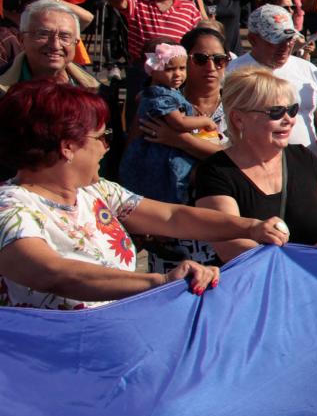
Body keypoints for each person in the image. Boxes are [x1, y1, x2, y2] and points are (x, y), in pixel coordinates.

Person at [0, 80, 287, 310]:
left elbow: (172, 217)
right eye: (102, 137)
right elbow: (51, 273)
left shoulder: (95, 190)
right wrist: (157, 282)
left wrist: (251, 227)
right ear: (67, 147)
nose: (106, 147)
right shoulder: (11, 207)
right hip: (48, 366)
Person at [190, 67, 317, 261]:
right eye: (275, 112)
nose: (289, 120)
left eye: (292, 110)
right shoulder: (215, 172)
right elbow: (233, 249)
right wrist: (310, 253)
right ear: (239, 119)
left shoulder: (302, 157)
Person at [118, 43, 221, 210]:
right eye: (170, 69)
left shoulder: (166, 92)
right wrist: (205, 121)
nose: (178, 74)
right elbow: (179, 123)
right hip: (157, 156)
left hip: (164, 152)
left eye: (182, 68)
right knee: (166, 191)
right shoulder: (160, 94)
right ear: (154, 70)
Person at [226, 5, 317, 151]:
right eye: (276, 41)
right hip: (254, 168)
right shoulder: (233, 71)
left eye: (290, 39)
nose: (285, 46)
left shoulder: (308, 70)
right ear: (253, 39)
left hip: (308, 167)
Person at [112, 0, 202, 65]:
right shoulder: (137, 0)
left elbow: (198, 40)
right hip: (143, 68)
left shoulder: (189, 7)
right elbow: (116, 1)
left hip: (176, 69)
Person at [0, 0, 99, 94]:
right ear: (22, 39)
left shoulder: (97, 90)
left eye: (64, 36)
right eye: (43, 34)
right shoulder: (3, 89)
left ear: (76, 43)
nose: (55, 45)